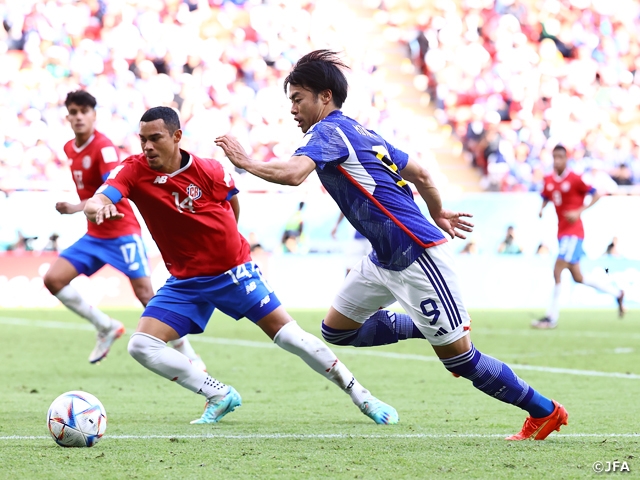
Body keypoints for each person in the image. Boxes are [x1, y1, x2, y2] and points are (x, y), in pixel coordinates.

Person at [215, 50, 568, 441]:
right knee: (337, 330)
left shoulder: (328, 132)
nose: (293, 109)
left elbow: (295, 174)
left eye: (298, 99)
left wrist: (245, 161)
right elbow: (420, 173)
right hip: (385, 257)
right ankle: (423, 326)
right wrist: (439, 211)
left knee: (461, 361)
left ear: (325, 97)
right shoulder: (360, 132)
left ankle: (545, 410)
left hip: (418, 255)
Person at [84, 106, 397, 425]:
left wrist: (224, 246)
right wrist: (97, 208)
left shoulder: (209, 170)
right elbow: (100, 198)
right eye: (142, 140)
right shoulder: (133, 170)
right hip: (186, 280)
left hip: (233, 272)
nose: (147, 146)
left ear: (177, 137)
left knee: (290, 337)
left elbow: (231, 204)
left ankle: (362, 395)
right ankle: (218, 394)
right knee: (141, 345)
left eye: (155, 138)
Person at [44, 91, 205, 369]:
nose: (78, 116)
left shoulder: (104, 147)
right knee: (53, 279)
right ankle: (106, 326)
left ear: (94, 114)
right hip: (95, 234)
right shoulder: (70, 147)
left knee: (145, 295)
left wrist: (74, 206)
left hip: (121, 232)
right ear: (68, 116)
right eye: (73, 111)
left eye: (84, 111)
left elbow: (111, 190)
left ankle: (190, 355)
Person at [533, 145, 624, 329]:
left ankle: (551, 318)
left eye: (560, 157)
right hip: (561, 233)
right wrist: (542, 208)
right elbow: (547, 195)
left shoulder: (575, 179)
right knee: (578, 277)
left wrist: (579, 211)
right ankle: (617, 293)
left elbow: (596, 194)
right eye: (554, 157)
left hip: (574, 233)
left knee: (557, 269)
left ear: (566, 159)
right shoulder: (549, 179)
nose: (557, 161)